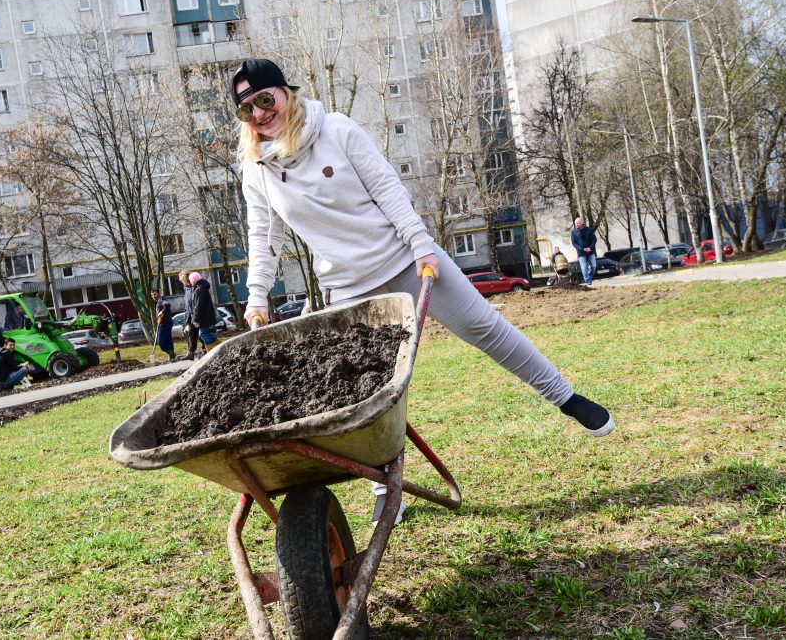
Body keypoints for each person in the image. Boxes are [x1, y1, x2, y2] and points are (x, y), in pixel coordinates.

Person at [232, 58, 614, 523]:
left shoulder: (336, 130)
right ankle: (384, 486)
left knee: (483, 326)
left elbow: (389, 190)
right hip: (349, 289)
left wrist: (420, 245)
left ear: (286, 92)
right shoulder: (258, 169)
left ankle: (566, 398)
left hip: (405, 260)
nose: (258, 114)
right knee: (367, 390)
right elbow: (263, 238)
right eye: (246, 109)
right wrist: (257, 298)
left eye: (265, 99)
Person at [189, 272, 219, 353]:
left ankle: (214, 352)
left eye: (190, 280)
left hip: (203, 317)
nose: (190, 282)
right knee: (205, 334)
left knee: (203, 334)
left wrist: (195, 319)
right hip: (206, 316)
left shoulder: (199, 289)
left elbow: (199, 305)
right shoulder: (201, 287)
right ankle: (218, 347)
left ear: (194, 279)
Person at [178, 271, 200, 360]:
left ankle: (206, 350)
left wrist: (195, 315)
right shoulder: (186, 288)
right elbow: (187, 303)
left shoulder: (194, 287)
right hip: (189, 315)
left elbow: (195, 302)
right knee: (190, 334)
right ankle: (191, 352)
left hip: (195, 315)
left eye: (182, 279)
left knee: (201, 334)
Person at [150, 288, 176, 360]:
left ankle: (171, 353)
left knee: (161, 342)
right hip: (166, 323)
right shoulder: (158, 302)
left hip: (165, 323)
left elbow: (167, 305)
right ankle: (171, 354)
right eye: (152, 295)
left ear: (158, 294)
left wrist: (162, 312)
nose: (153, 296)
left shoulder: (161, 300)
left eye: (155, 294)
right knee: (168, 339)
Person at [570, 217, 597, 286]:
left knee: (593, 266)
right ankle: (588, 280)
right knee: (584, 268)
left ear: (582, 223)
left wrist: (590, 248)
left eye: (578, 223)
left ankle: (589, 277)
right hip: (581, 253)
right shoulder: (573, 232)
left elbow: (594, 239)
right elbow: (574, 243)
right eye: (575, 223)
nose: (576, 224)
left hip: (590, 252)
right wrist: (582, 249)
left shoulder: (589, 230)